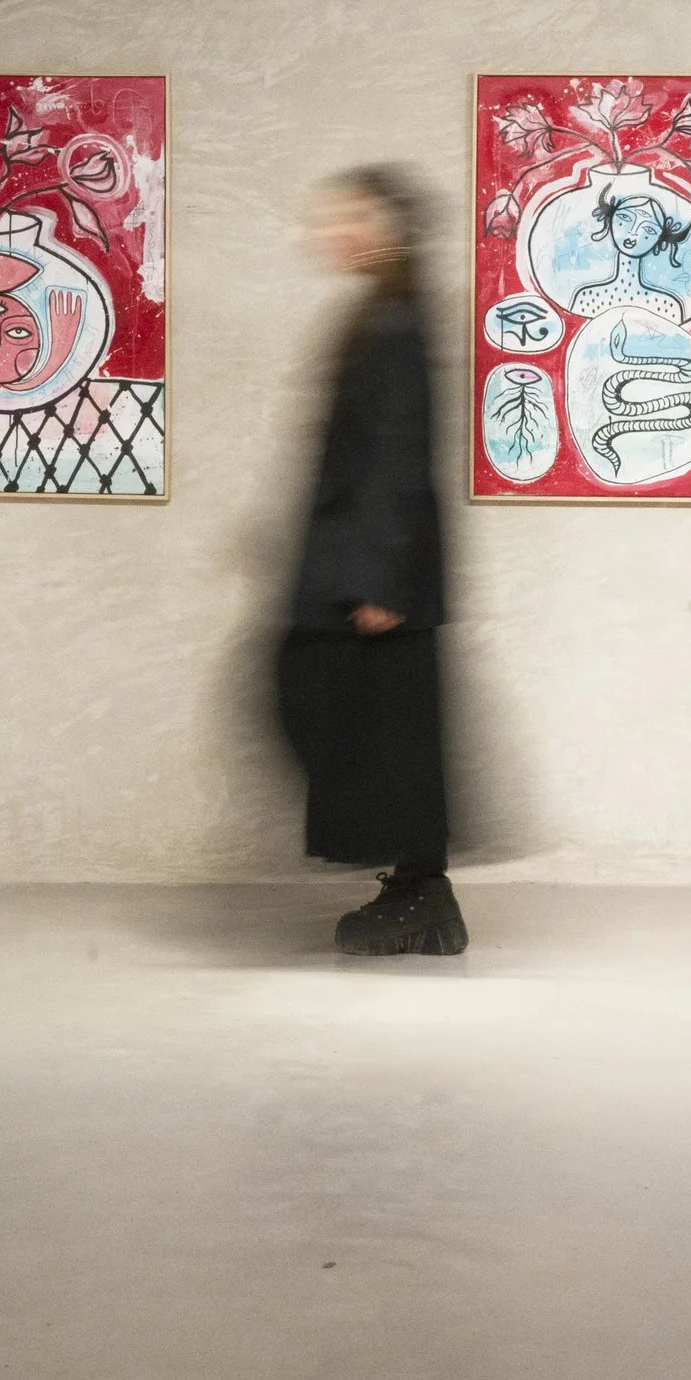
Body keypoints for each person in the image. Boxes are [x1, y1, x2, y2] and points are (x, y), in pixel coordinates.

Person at [276, 167, 467, 956]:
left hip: (376, 575)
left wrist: (381, 581)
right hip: (367, 566)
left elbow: (396, 454)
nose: (334, 231)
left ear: (392, 228)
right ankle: (420, 891)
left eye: (353, 216)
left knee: (381, 730)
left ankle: (424, 898)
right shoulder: (386, 311)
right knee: (386, 730)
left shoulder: (393, 321)